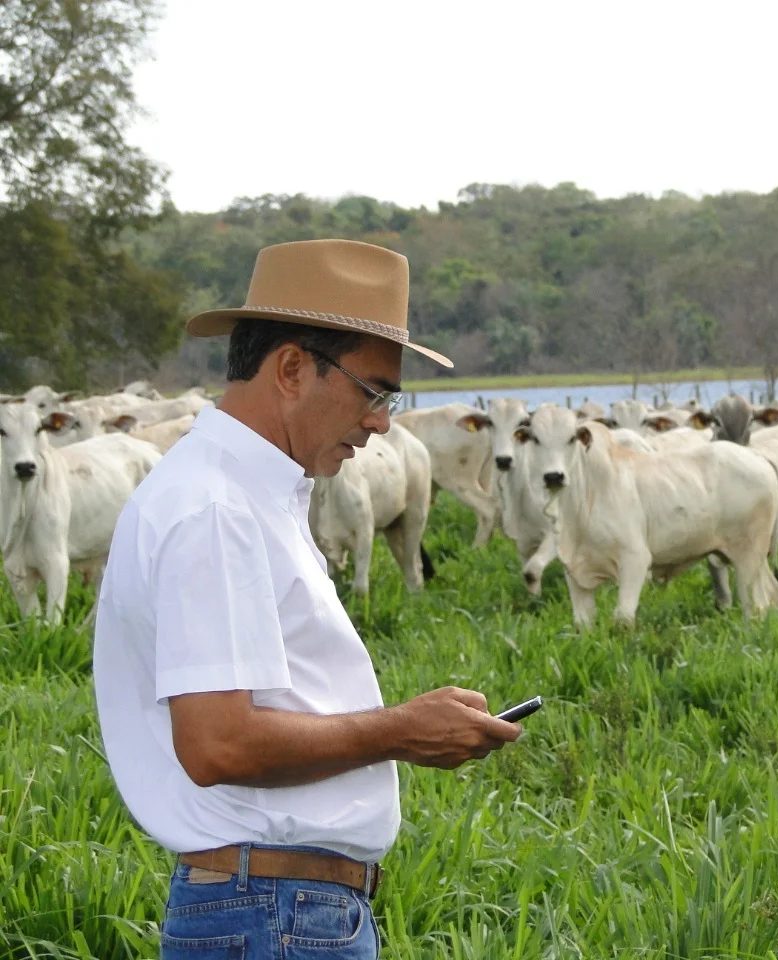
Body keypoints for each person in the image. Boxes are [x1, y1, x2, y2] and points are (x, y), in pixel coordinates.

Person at [93, 239, 523, 958]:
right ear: (292, 368)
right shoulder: (216, 508)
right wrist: (400, 731)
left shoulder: (245, 497)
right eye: (374, 391)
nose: (382, 421)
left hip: (274, 906)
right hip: (273, 913)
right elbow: (218, 741)